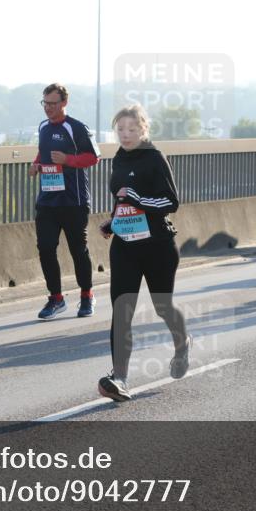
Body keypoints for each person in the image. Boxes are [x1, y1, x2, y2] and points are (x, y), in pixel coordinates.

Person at [97, 105, 189, 402]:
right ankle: (120, 377)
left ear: (143, 130)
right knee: (122, 311)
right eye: (120, 129)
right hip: (125, 246)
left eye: (131, 129)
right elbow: (123, 200)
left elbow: (171, 202)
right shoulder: (119, 158)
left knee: (163, 307)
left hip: (158, 246)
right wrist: (113, 221)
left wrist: (138, 199)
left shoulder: (154, 158)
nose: (125, 135)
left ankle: (182, 343)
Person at [30, 83, 100, 320]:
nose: (48, 108)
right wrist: (35, 164)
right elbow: (44, 152)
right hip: (48, 201)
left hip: (74, 200)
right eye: (45, 103)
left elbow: (93, 157)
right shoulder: (42, 127)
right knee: (46, 248)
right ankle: (56, 298)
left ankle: (86, 295)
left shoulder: (76, 128)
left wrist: (68, 159)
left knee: (78, 250)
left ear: (64, 103)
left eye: (52, 103)